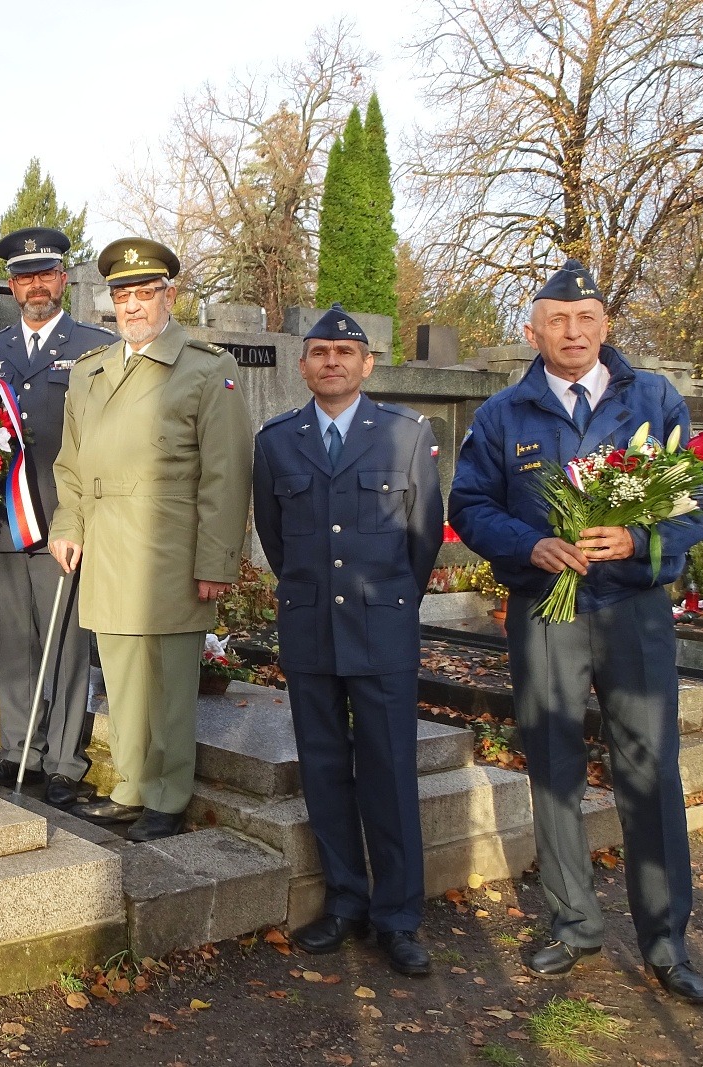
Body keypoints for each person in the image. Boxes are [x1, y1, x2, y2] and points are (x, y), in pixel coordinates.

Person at [449, 259, 703, 1005]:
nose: (574, 332)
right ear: (533, 330)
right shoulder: (505, 414)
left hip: (633, 612)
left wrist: (638, 543)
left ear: (606, 327)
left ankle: (666, 941)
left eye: (588, 320)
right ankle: (574, 925)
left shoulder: (654, 398)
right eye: (558, 321)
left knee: (650, 769)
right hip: (547, 612)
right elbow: (469, 505)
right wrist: (526, 544)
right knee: (555, 766)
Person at [252, 306, 443, 976]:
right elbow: (276, 538)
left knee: (389, 771)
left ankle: (398, 916)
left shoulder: (406, 434)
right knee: (326, 768)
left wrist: (388, 600)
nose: (331, 361)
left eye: (344, 351)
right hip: (310, 626)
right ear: (303, 365)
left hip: (382, 626)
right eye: (319, 352)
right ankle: (344, 900)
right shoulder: (276, 440)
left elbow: (423, 540)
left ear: (366, 365)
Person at [48, 237, 253, 841]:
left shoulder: (206, 368)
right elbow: (71, 462)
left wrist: (217, 558)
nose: (132, 307)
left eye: (144, 293)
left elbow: (226, 472)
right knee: (123, 675)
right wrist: (68, 524)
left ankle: (167, 794)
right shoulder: (90, 373)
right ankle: (131, 786)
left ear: (169, 295)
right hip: (109, 548)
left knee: (166, 683)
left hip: (168, 550)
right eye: (122, 295)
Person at [0, 228, 111, 807]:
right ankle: (19, 750)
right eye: (25, 277)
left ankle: (63, 759)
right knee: (13, 645)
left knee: (68, 647)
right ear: (11, 286)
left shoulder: (96, 348)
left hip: (63, 522)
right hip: (3, 521)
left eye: (46, 274)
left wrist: (80, 519)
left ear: (62, 280)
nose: (36, 285)